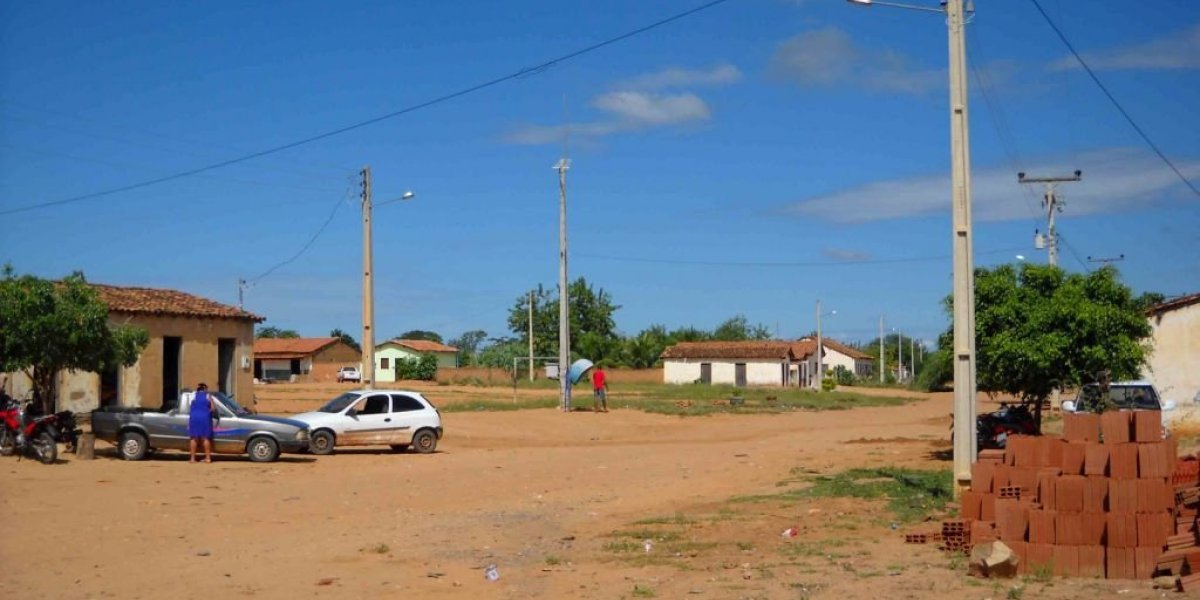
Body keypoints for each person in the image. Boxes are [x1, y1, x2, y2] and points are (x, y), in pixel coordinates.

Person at [188, 382, 218, 463]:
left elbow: (190, 406)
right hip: (205, 418)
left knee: (194, 438)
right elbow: (213, 408)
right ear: (205, 389)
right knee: (205, 438)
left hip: (194, 418)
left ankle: (192, 458)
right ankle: (208, 458)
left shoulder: (192, 395)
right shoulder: (208, 395)